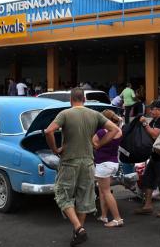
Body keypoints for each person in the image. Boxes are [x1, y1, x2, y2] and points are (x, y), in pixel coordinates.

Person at [45, 88, 120, 247]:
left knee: (62, 194)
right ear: (84, 100)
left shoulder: (65, 114)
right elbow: (115, 129)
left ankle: (78, 228)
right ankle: (78, 231)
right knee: (84, 198)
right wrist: (99, 144)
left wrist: (55, 150)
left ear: (71, 100)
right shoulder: (94, 114)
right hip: (88, 162)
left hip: (69, 161)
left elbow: (49, 131)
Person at [135, 100, 160, 217]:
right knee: (148, 179)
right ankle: (148, 205)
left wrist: (145, 123)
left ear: (159, 110)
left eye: (152, 109)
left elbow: (155, 134)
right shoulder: (155, 120)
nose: (150, 111)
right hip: (154, 156)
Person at [93, 109, 124, 228]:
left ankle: (117, 219)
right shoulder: (119, 131)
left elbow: (94, 144)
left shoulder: (101, 132)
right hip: (114, 163)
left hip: (103, 164)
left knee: (106, 191)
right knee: (103, 191)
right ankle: (104, 216)